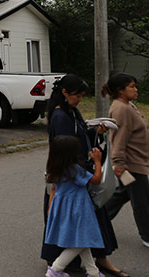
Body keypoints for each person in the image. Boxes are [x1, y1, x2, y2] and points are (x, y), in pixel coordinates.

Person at [42, 75, 127, 277]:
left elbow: (76, 139)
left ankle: (92, 268)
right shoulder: (61, 117)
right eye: (77, 95)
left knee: (81, 230)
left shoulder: (70, 111)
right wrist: (93, 162)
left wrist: (95, 131)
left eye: (82, 95)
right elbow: (67, 147)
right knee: (84, 230)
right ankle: (58, 268)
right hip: (78, 182)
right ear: (64, 92)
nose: (80, 99)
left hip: (75, 179)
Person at [44, 135, 105, 277]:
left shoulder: (55, 167)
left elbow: (53, 189)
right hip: (78, 208)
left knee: (83, 238)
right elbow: (96, 180)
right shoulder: (74, 169)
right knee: (80, 241)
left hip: (60, 206)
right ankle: (55, 269)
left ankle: (93, 272)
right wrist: (97, 161)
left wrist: (50, 209)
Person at [103, 73, 149, 249]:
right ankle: (147, 235)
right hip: (131, 164)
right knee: (142, 201)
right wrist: (119, 163)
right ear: (120, 90)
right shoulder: (121, 109)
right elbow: (119, 139)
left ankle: (97, 221)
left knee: (122, 195)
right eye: (131, 86)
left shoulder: (127, 105)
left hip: (134, 162)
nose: (136, 89)